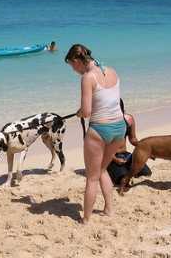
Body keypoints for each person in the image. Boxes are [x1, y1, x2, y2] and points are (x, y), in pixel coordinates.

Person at [65, 44, 126, 224]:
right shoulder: (112, 71)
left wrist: (80, 112)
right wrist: (84, 110)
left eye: (71, 66)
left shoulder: (87, 77)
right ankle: (108, 209)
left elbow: (87, 112)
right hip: (119, 127)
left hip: (100, 129)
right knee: (102, 170)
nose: (73, 70)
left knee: (91, 177)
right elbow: (108, 100)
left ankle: (86, 219)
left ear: (77, 61)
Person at [107, 99, 151, 185]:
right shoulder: (104, 123)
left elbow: (133, 139)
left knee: (146, 173)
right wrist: (115, 159)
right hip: (109, 157)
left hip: (125, 155)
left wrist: (146, 148)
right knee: (122, 179)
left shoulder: (128, 119)